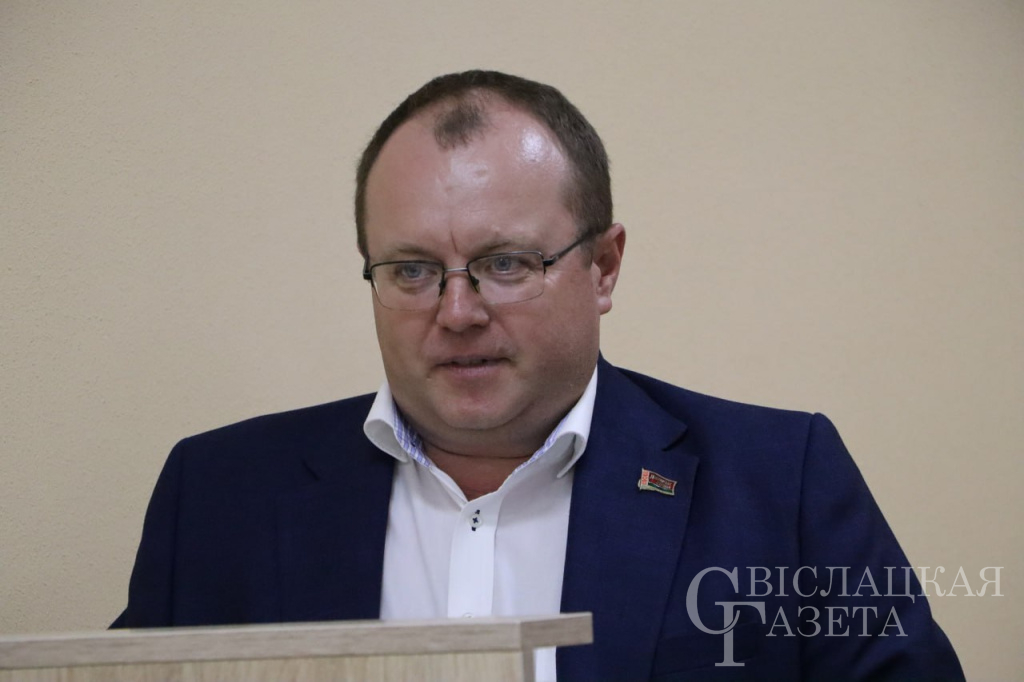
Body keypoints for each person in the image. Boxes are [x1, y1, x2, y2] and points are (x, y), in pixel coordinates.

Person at [114, 70, 964, 681]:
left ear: (604, 266)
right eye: (411, 270)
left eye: (506, 263)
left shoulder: (780, 484)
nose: (456, 311)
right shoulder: (219, 495)